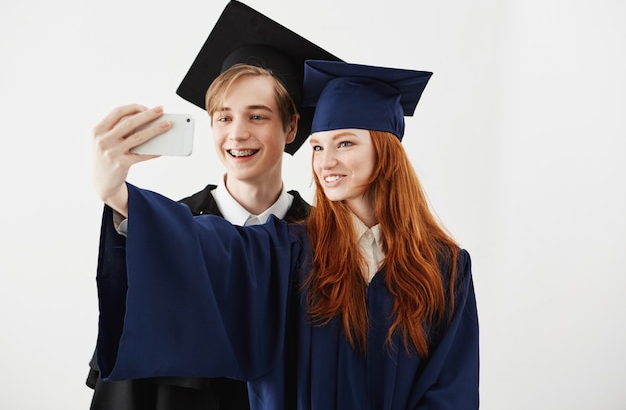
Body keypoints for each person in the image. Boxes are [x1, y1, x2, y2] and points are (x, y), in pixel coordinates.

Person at [91, 60, 480, 410]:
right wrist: (119, 196)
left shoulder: (446, 266)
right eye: (318, 147)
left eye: (345, 143)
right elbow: (216, 244)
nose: (326, 162)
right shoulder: (289, 249)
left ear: (386, 151)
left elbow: (451, 387)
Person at [86, 0, 341, 410]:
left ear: (291, 127)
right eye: (223, 118)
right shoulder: (163, 231)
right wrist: (116, 194)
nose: (237, 134)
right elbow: (129, 374)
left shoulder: (326, 239)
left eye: (257, 116)